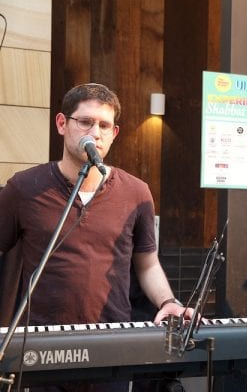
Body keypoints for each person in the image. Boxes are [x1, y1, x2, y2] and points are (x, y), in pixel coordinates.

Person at [0, 83, 190, 391]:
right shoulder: (24, 188)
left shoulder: (136, 192)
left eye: (104, 125)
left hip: (111, 342)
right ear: (62, 124)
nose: (95, 133)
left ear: (114, 133)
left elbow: (147, 263)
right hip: (40, 346)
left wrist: (167, 301)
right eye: (85, 122)